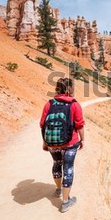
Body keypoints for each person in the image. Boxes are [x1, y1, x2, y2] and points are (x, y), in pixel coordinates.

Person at [40, 77, 85, 213]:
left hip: (53, 143)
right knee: (68, 168)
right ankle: (65, 202)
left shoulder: (49, 104)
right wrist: (82, 139)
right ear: (70, 89)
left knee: (57, 164)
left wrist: (45, 142)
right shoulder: (74, 104)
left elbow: (42, 124)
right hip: (70, 142)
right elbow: (80, 124)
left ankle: (59, 190)